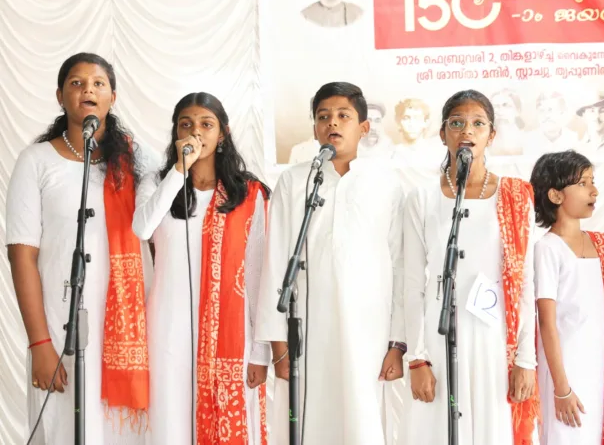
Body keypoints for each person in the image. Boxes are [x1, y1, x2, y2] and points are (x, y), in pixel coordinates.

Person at [6, 52, 150, 444]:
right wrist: (40, 344)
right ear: (60, 95)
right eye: (77, 83)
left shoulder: (137, 161)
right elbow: (22, 254)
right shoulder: (36, 161)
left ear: (112, 98)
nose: (88, 89)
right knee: (64, 430)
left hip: (127, 330)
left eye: (98, 83)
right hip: (59, 325)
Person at [255, 82, 406, 445]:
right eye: (323, 117)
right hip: (307, 329)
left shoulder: (386, 183)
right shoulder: (294, 181)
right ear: (314, 129)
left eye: (343, 116)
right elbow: (276, 262)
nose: (332, 123)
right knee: (308, 421)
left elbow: (400, 264)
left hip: (368, 330)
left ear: (364, 127)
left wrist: (398, 343)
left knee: (361, 420)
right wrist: (278, 344)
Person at [132, 92, 271, 445]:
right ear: (176, 133)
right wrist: (179, 171)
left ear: (222, 133)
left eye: (206, 124)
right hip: (167, 330)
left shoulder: (248, 194)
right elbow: (142, 228)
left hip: (231, 334)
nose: (196, 132)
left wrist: (260, 351)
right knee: (170, 424)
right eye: (186, 125)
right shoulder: (157, 184)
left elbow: (257, 274)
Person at [403, 90, 539, 444]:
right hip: (439, 335)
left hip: (493, 337)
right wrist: (417, 358)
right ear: (442, 133)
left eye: (478, 124)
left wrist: (525, 359)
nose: (467, 130)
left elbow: (525, 282)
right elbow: (412, 284)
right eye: (457, 123)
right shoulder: (421, 198)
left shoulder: (514, 195)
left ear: (491, 135)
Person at [529, 150, 604, 445]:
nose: (594, 190)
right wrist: (561, 388)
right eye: (583, 183)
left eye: (593, 181)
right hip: (565, 372)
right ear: (556, 195)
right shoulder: (548, 248)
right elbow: (546, 324)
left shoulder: (602, 245)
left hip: (598, 368)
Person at [523, 92, 578, 156]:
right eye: (541, 111)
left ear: (561, 112)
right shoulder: (529, 140)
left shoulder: (573, 138)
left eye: (550, 110)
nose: (546, 116)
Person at [575, 90, 604, 155]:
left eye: (602, 111)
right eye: (592, 111)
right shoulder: (578, 149)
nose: (597, 116)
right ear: (583, 116)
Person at [488, 89, 525, 156]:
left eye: (505, 105)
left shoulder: (527, 139)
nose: (499, 111)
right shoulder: (485, 141)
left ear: (518, 110)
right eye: (495, 106)